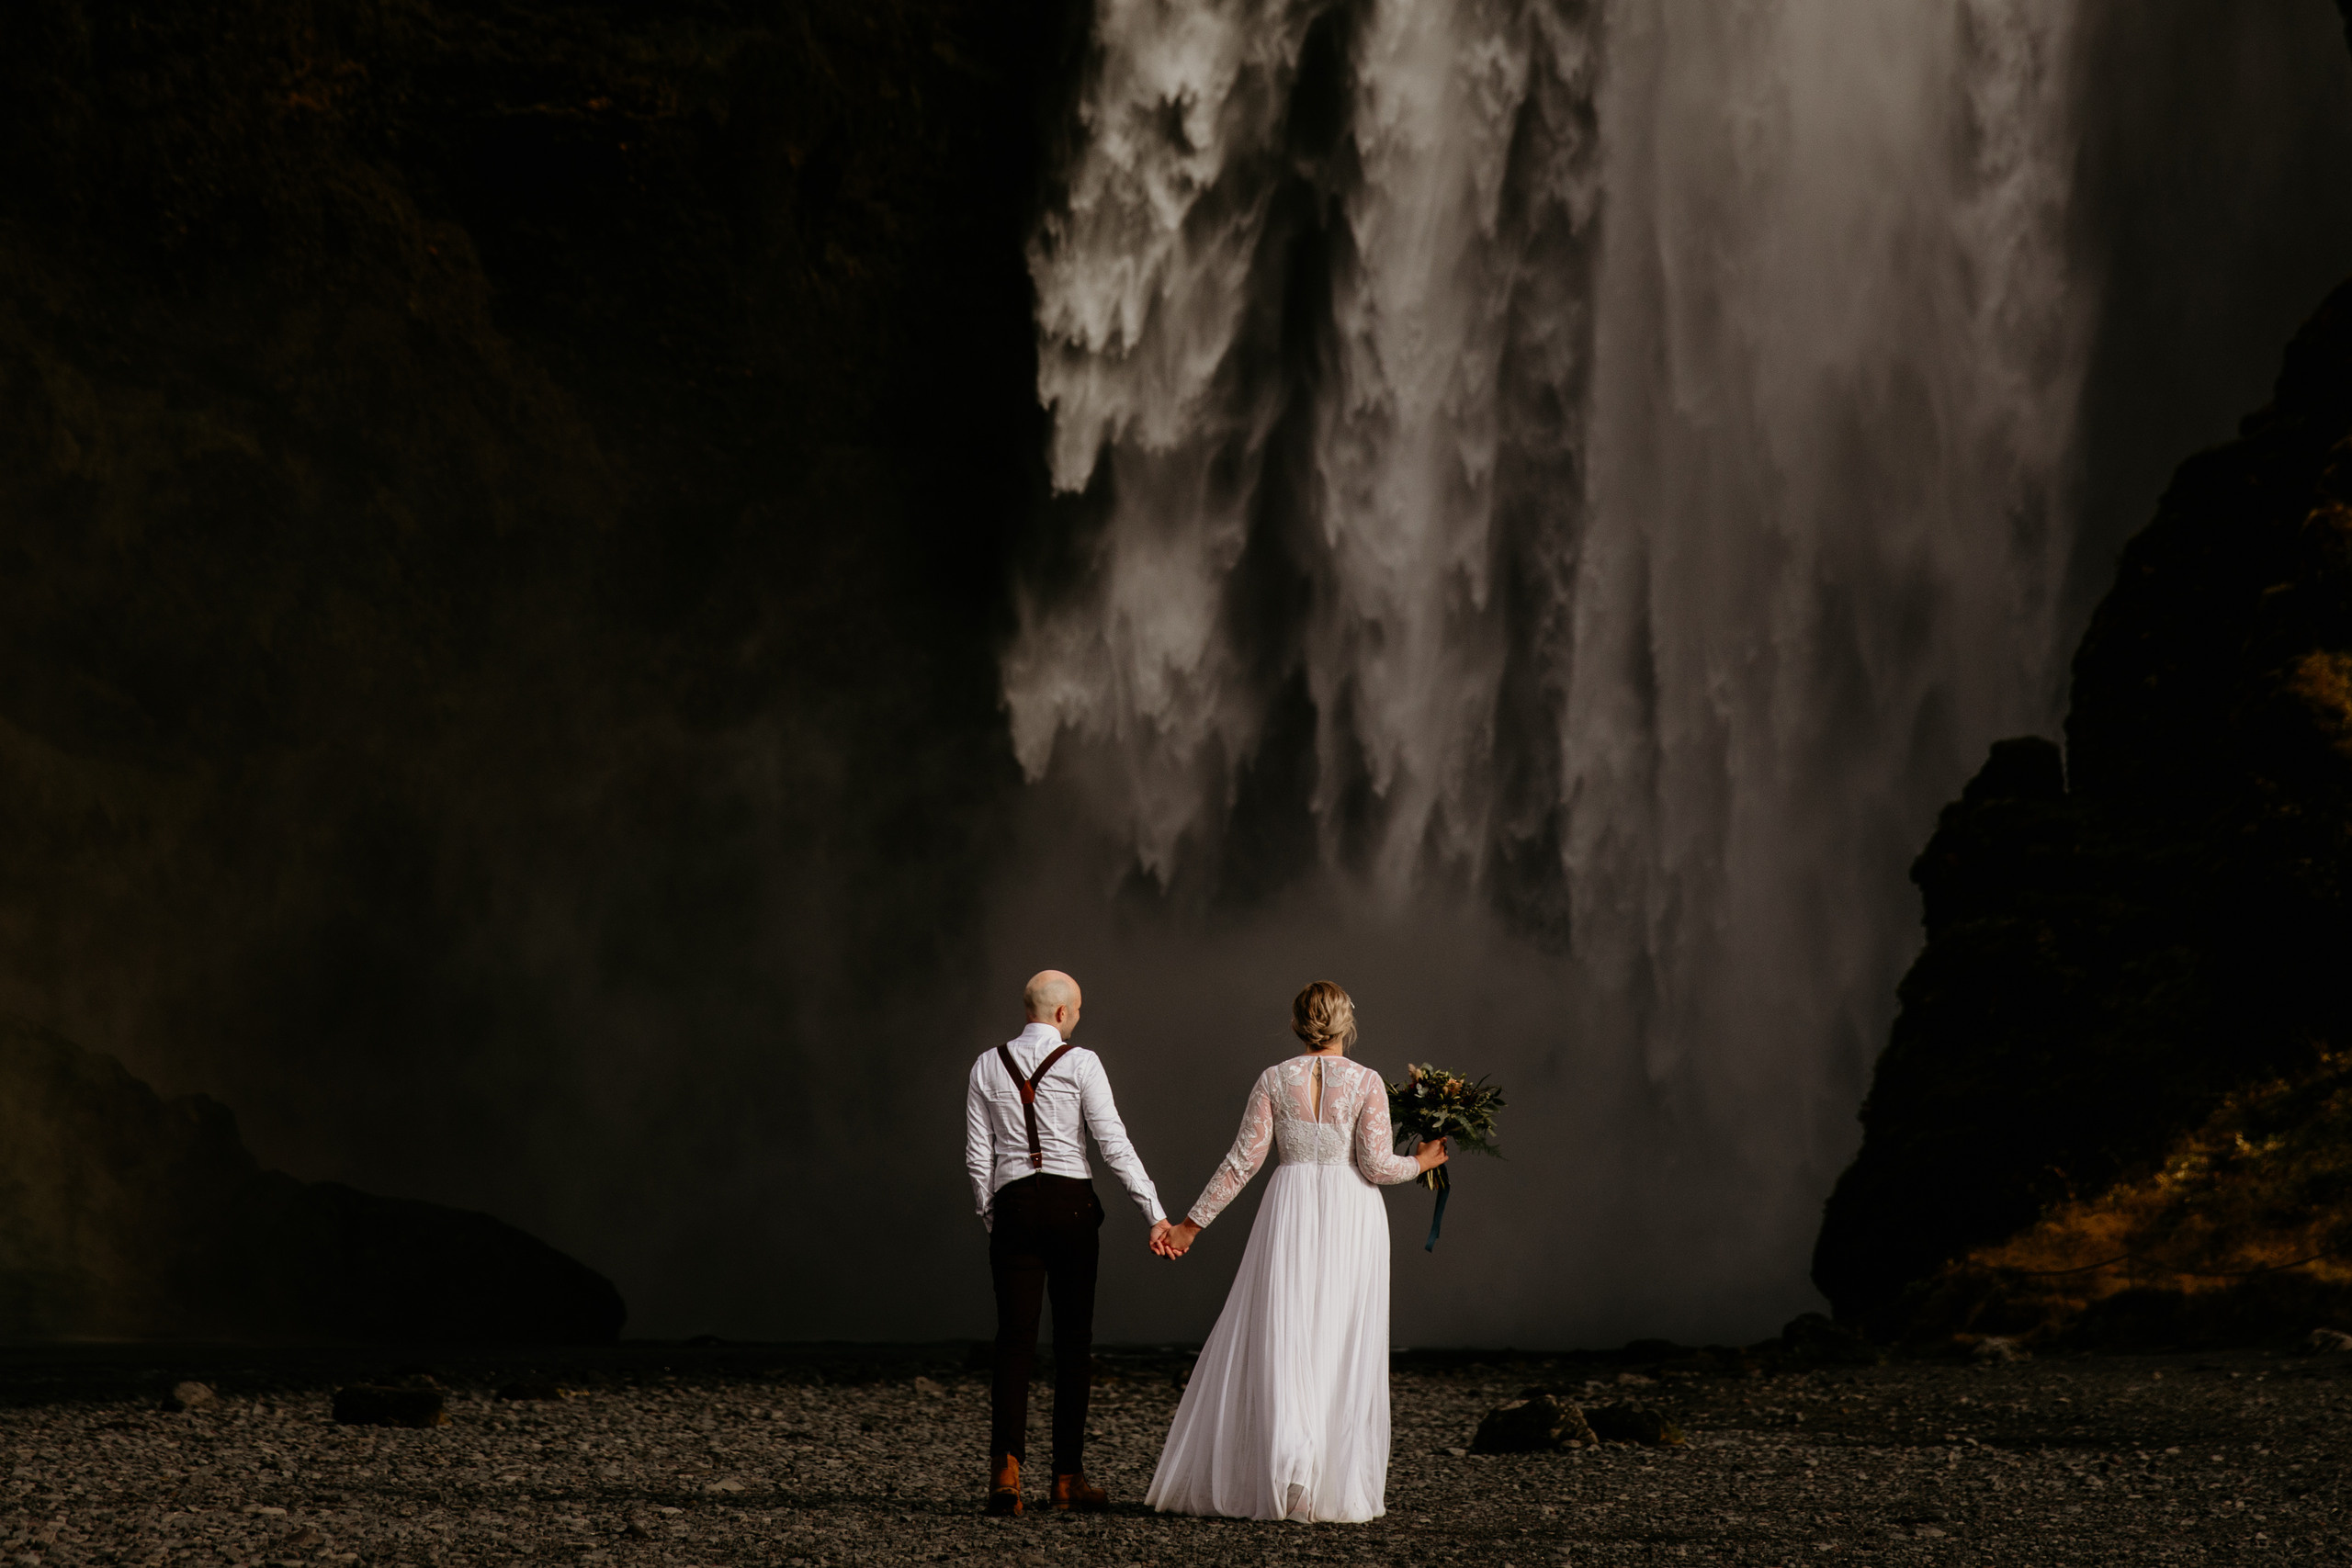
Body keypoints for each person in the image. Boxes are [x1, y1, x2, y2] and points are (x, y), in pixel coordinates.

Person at [1144, 980, 1448, 1523]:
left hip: (1290, 1206)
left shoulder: (1273, 1079)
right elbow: (1377, 1166)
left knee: (1286, 1333)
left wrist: (1190, 1226)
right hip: (1351, 1212)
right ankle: (1322, 1479)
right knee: (1338, 1338)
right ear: (1347, 1024)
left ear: (1296, 1024)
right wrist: (1423, 1162)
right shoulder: (1366, 1082)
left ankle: (1288, 1468)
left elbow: (1242, 1162)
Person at [965, 969, 1172, 1517]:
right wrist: (1155, 1214)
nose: (1078, 1018)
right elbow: (1113, 1143)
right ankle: (1065, 1480)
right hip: (1071, 1207)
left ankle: (1006, 1475)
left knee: (1013, 1343)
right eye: (1076, 1010)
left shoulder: (986, 1064)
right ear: (1061, 1013)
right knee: (1073, 1345)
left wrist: (995, 1217)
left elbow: (978, 1155)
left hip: (1013, 1205)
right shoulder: (1082, 1062)